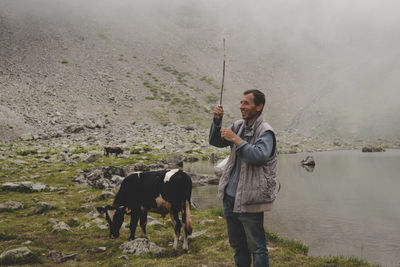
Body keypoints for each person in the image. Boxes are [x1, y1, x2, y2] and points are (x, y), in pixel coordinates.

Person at [209, 89, 277, 267]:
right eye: (241, 103)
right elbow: (216, 141)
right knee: (238, 246)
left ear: (259, 106)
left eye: (246, 103)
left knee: (257, 247)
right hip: (230, 198)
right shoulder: (238, 126)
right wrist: (217, 122)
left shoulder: (265, 131)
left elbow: (259, 156)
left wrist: (237, 140)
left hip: (250, 200)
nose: (241, 107)